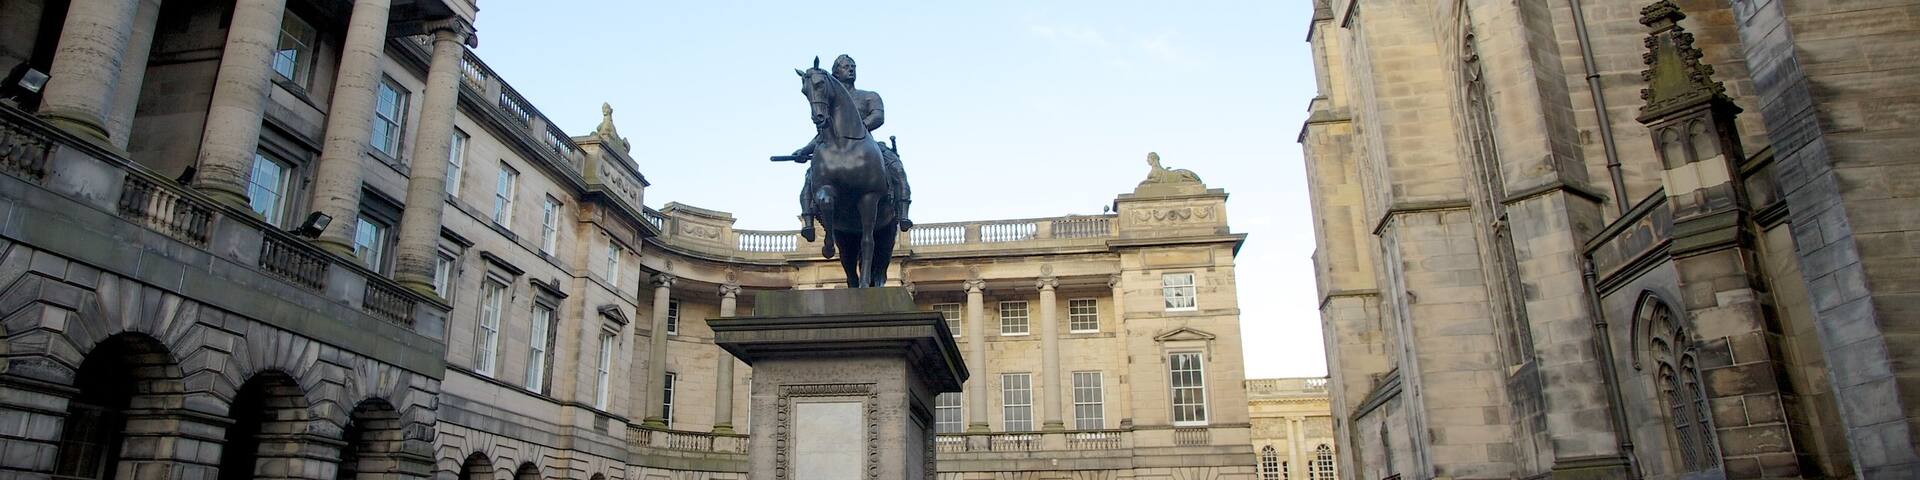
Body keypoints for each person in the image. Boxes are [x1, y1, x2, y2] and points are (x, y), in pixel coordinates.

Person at [793, 54, 912, 241]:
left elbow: (878, 117)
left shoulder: (869, 96)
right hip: (834, 146)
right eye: (845, 66)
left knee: (895, 165)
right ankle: (809, 220)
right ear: (835, 74)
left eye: (852, 66)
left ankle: (903, 212)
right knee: (811, 175)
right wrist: (805, 150)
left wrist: (859, 127)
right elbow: (823, 133)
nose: (850, 69)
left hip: (867, 145)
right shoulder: (827, 102)